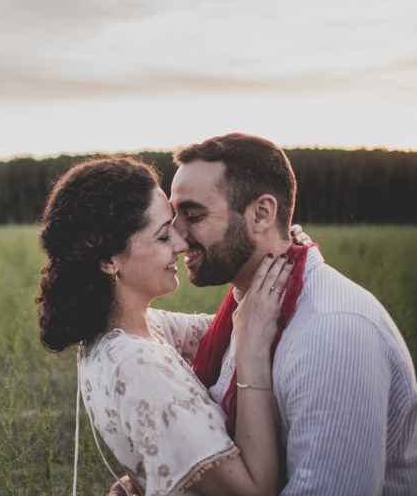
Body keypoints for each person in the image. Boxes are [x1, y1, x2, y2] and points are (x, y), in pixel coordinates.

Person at [165, 133, 417, 495]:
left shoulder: (331, 331)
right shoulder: (251, 306)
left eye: (192, 215)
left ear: (261, 213)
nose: (176, 237)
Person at [37, 156, 295, 496]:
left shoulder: (128, 331)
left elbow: (224, 329)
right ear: (108, 260)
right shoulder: (137, 363)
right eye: (162, 237)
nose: (181, 243)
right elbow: (254, 491)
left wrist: (272, 245)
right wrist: (252, 356)